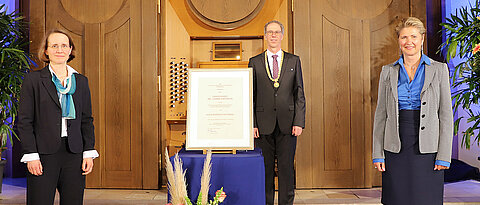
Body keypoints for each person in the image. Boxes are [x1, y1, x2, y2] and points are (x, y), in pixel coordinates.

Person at [372, 17, 453, 205]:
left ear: (422, 38)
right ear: (398, 41)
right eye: (404, 37)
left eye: (414, 36)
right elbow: (381, 115)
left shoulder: (439, 70)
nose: (409, 42)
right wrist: (378, 153)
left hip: (429, 146)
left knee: (426, 199)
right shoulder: (387, 71)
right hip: (395, 143)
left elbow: (446, 116)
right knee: (397, 198)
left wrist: (443, 155)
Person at [17, 29, 99, 205]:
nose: (59, 50)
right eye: (54, 46)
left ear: (70, 50)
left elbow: (86, 120)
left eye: (64, 46)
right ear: (46, 51)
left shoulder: (81, 81)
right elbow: (24, 121)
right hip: (43, 153)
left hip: (74, 153)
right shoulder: (33, 80)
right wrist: (31, 154)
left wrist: (88, 152)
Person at [248, 20, 306, 205]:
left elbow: (299, 93)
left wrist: (299, 121)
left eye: (276, 32)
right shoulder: (255, 62)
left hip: (288, 124)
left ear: (282, 35)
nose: (273, 35)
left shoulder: (293, 60)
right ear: (265, 36)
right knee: (265, 170)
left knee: (286, 168)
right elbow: (251, 95)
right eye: (270, 32)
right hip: (263, 125)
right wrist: (253, 123)